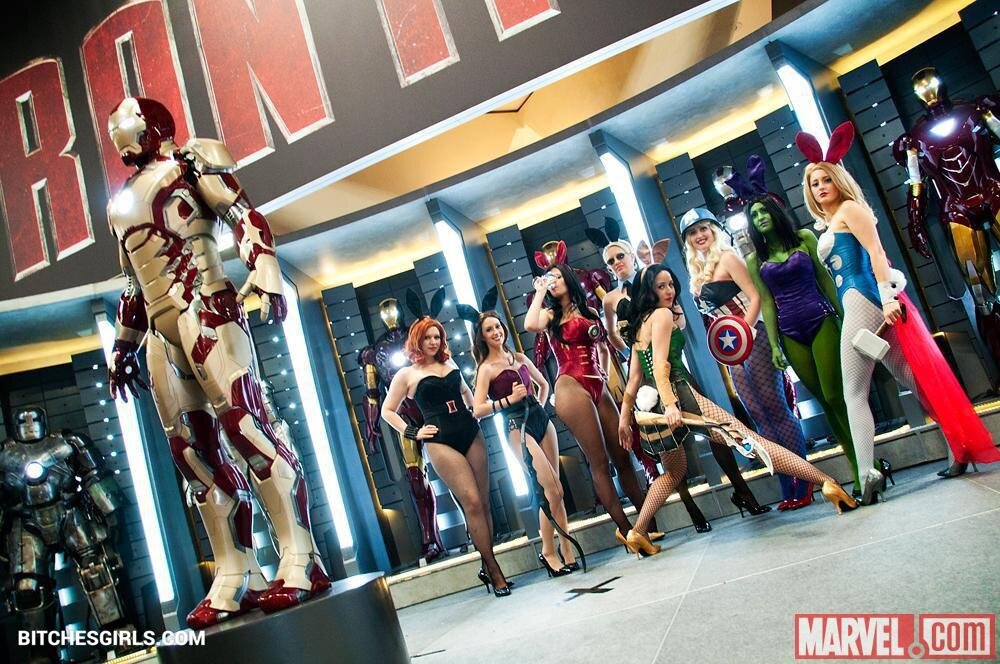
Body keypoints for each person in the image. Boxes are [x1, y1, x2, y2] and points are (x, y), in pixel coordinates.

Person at [105, 97, 328, 628]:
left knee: (247, 430)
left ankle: (301, 557)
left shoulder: (190, 163)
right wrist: (123, 345)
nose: (121, 135)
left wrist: (265, 268)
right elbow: (134, 282)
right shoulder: (121, 203)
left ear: (152, 125)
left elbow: (242, 215)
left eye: (128, 125)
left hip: (206, 307)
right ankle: (236, 572)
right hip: (161, 331)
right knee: (192, 455)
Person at [797, 122, 1000, 504]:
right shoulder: (833, 219)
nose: (820, 187)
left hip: (864, 299)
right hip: (861, 301)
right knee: (916, 380)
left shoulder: (850, 209)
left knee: (853, 391)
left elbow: (877, 253)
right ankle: (959, 447)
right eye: (814, 183)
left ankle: (867, 475)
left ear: (838, 180)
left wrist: (888, 298)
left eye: (826, 179)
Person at [617, 265, 858, 557]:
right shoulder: (662, 315)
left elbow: (634, 379)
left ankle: (637, 532)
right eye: (660, 286)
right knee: (750, 441)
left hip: (652, 405)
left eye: (670, 284)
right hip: (679, 397)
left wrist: (625, 418)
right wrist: (670, 405)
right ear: (648, 291)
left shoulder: (641, 323)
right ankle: (827, 483)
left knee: (673, 472)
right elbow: (660, 366)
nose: (669, 291)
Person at [682, 207, 811, 510]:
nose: (700, 235)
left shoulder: (728, 257)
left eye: (704, 228)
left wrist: (745, 332)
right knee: (758, 415)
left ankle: (805, 483)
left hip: (754, 335)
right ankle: (787, 484)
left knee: (776, 408)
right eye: (693, 232)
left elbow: (756, 296)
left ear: (714, 230)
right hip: (733, 348)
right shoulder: (697, 271)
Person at [382, 317, 512, 596]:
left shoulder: (450, 363)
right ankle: (494, 570)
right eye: (427, 337)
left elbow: (467, 393)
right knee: (472, 502)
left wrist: (480, 407)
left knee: (484, 503)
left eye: (437, 337)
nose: (433, 342)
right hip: (440, 440)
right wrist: (414, 432)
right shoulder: (406, 374)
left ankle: (486, 563)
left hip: (470, 431)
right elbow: (387, 411)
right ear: (417, 340)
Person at [745, 197, 860, 490]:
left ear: (775, 213)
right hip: (789, 333)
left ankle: (864, 462)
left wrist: (846, 319)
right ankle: (855, 465)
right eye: (754, 215)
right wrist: (773, 345)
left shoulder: (805, 238)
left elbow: (825, 280)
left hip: (821, 319)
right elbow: (767, 303)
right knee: (823, 399)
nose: (760, 217)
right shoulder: (755, 260)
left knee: (835, 396)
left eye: (764, 211)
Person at [601, 237, 713, 532]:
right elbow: (611, 334)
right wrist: (631, 352)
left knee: (713, 432)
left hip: (671, 369)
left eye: (620, 256)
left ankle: (739, 487)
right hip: (644, 374)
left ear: (631, 255)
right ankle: (689, 509)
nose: (616, 263)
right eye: (610, 261)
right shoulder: (610, 299)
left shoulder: (654, 282)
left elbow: (678, 323)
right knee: (669, 453)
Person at [524, 263, 639, 541]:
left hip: (598, 384)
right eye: (549, 279)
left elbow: (603, 348)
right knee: (599, 463)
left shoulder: (589, 312)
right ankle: (628, 533)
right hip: (570, 385)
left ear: (569, 278)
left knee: (623, 456)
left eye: (557, 277)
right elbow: (529, 325)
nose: (553, 282)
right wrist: (540, 291)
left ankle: (646, 523)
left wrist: (603, 374)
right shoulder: (550, 315)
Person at [469, 311, 579, 576]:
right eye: (489, 330)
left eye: (497, 327)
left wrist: (537, 405)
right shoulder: (486, 369)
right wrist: (508, 400)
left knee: (557, 490)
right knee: (549, 489)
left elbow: (544, 385)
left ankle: (566, 550)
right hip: (516, 426)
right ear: (482, 337)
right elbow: (478, 409)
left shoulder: (518, 358)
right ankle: (548, 551)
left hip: (540, 420)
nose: (496, 332)